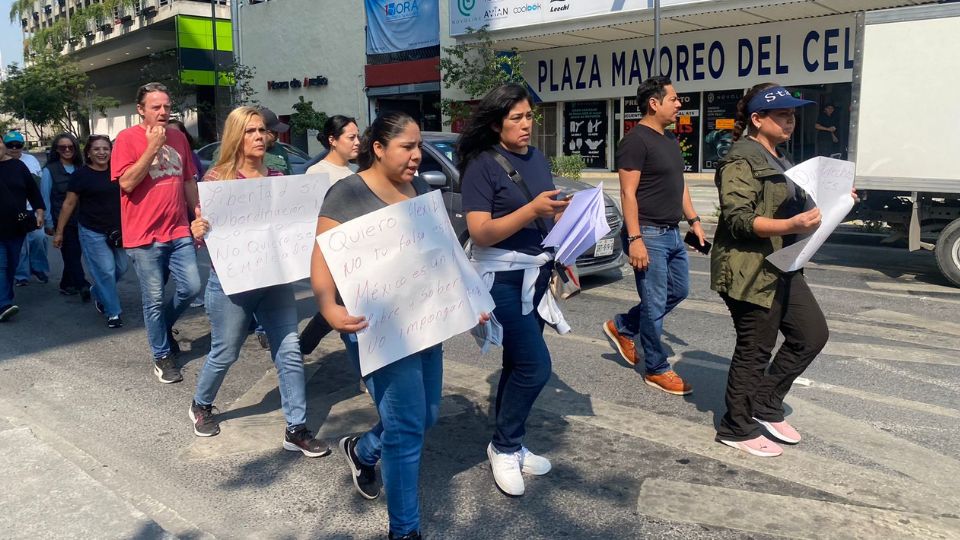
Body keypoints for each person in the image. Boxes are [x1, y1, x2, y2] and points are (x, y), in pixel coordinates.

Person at [312, 111, 471, 540]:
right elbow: (323, 259)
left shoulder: (416, 187)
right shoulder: (346, 194)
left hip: (423, 321)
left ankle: (363, 450)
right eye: (408, 146)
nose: (417, 155)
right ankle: (404, 531)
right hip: (374, 328)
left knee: (427, 415)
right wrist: (328, 307)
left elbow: (438, 251)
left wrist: (469, 296)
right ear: (378, 148)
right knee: (404, 427)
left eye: (418, 146)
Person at [187, 106, 330, 458]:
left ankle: (296, 428)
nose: (260, 137)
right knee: (226, 351)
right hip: (232, 285)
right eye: (251, 131)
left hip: (275, 281)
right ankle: (201, 404)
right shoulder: (216, 182)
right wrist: (198, 230)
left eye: (263, 131)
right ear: (237, 136)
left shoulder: (278, 180)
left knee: (289, 352)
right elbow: (207, 238)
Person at [710, 83, 844, 457]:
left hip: (784, 263)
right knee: (755, 348)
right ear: (757, 118)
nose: (791, 120)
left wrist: (835, 202)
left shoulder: (780, 157)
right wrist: (791, 226)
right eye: (782, 114)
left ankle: (766, 403)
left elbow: (794, 205)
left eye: (793, 114)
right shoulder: (740, 159)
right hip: (749, 268)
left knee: (811, 333)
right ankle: (736, 426)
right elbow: (738, 220)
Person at [458, 83, 569, 497]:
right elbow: (481, 232)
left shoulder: (536, 158)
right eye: (517, 118)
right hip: (500, 278)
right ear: (495, 123)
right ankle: (503, 446)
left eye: (529, 116)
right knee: (535, 367)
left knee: (517, 364)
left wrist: (565, 223)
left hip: (535, 275)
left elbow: (545, 213)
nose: (527, 125)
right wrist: (532, 210)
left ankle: (511, 442)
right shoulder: (482, 165)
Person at [602, 76, 705, 396]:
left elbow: (681, 184)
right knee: (656, 300)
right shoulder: (635, 141)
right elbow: (627, 193)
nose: (679, 104)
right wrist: (634, 239)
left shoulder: (670, 140)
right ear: (654, 103)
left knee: (679, 290)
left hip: (672, 233)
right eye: (673, 99)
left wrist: (695, 220)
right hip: (647, 233)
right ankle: (657, 368)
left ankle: (623, 326)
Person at [112, 82, 202, 384]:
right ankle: (162, 355)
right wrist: (152, 146)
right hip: (144, 236)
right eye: (156, 107)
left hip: (178, 229)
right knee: (152, 298)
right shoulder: (126, 139)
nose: (163, 112)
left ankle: (160, 328)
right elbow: (126, 183)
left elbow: (188, 180)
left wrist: (196, 215)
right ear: (141, 110)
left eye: (166, 106)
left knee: (190, 287)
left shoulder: (178, 137)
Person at [299, 114, 361, 357]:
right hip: (333, 258)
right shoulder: (317, 173)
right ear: (333, 140)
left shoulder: (355, 173)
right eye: (351, 137)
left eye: (358, 136)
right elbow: (311, 220)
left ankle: (301, 347)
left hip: (356, 256)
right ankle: (366, 371)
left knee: (341, 310)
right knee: (349, 315)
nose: (357, 142)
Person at [53, 135, 128, 328]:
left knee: (121, 267)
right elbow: (69, 204)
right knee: (106, 271)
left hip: (117, 231)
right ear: (88, 152)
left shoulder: (119, 172)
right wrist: (59, 231)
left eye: (105, 148)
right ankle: (113, 313)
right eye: (96, 149)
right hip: (92, 230)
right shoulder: (81, 175)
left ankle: (98, 291)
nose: (102, 152)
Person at [0, 141, 46, 322]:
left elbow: (33, 191)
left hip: (16, 226)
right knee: (2, 266)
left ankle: (5, 298)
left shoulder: (18, 166)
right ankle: (4, 304)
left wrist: (40, 212)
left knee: (12, 263)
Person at [42, 132, 90, 298]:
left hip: (83, 219)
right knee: (71, 252)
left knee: (74, 253)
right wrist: (48, 223)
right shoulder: (49, 171)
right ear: (57, 150)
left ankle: (66, 283)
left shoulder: (81, 168)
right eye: (63, 147)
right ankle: (82, 283)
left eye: (70, 146)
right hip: (61, 220)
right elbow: (45, 198)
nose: (67, 150)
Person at [4, 131, 49, 286]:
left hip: (32, 209)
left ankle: (38, 268)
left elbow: (37, 188)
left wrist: (41, 210)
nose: (15, 148)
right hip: (14, 213)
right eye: (10, 145)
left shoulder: (30, 160)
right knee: (20, 247)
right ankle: (21, 275)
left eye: (19, 145)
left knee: (39, 238)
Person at [260, 108, 292, 175]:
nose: (277, 137)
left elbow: (290, 176)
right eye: (274, 133)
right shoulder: (247, 153)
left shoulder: (280, 149)